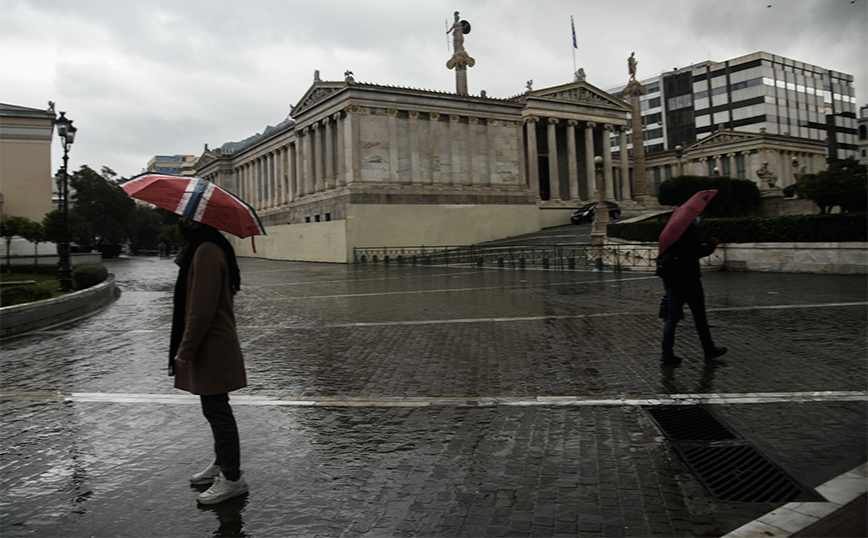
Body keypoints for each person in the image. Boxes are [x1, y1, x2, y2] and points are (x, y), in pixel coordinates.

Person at [170, 217, 248, 505]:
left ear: (196, 221)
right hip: (213, 341)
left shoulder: (206, 250)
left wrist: (186, 349)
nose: (182, 221)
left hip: (211, 343)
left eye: (186, 217)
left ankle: (231, 478)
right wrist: (186, 265)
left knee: (217, 410)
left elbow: (201, 308)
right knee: (213, 407)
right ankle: (222, 463)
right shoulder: (206, 248)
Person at [656, 218, 727, 365]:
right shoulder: (690, 231)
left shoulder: (671, 233)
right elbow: (696, 252)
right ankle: (709, 349)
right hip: (689, 280)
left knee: (672, 319)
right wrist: (711, 244)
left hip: (674, 281)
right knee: (700, 317)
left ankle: (666, 352)